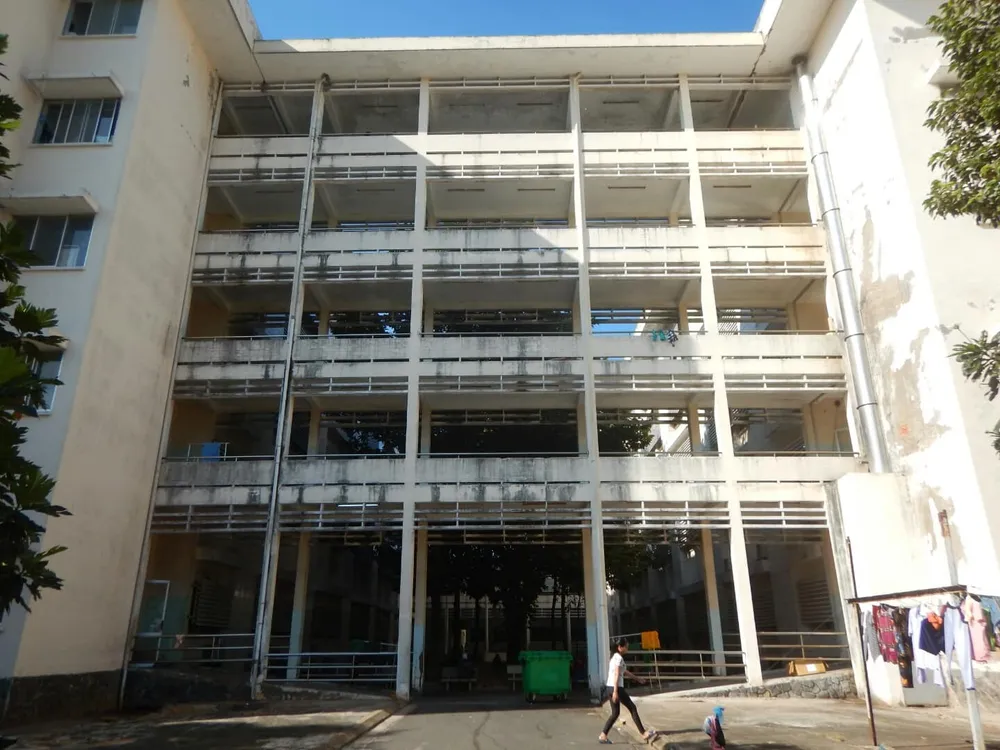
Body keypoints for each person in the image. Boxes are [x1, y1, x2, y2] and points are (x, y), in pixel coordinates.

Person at [598, 637, 655, 744]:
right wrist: (615, 692)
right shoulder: (618, 658)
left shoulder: (614, 657)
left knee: (615, 713)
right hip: (616, 688)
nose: (627, 647)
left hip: (610, 687)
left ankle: (603, 735)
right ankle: (643, 733)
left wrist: (638, 679)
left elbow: (624, 672)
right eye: (626, 646)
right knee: (632, 708)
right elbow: (616, 674)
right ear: (620, 647)